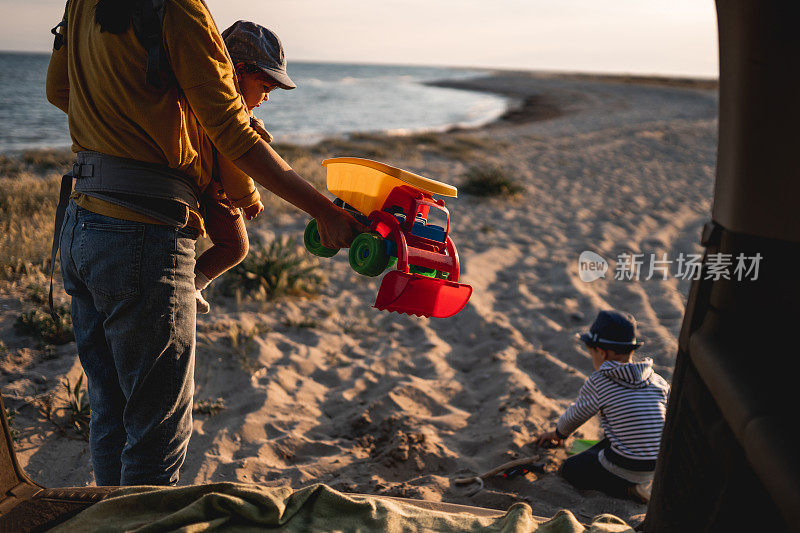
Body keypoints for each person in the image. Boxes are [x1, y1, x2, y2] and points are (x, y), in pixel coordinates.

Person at [46, 0, 363, 486]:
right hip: (143, 236)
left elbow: (59, 91)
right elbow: (232, 132)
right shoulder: (179, 8)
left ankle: (109, 517)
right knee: (156, 435)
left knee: (111, 413)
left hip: (81, 221)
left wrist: (138, 123)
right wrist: (325, 211)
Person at [193, 21, 294, 314]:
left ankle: (192, 282)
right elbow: (232, 158)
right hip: (216, 190)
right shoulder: (231, 109)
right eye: (264, 88)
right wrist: (249, 198)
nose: (265, 98)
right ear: (238, 72)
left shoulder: (214, 99)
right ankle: (193, 283)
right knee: (236, 246)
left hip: (203, 185)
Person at [534, 310, 670, 503]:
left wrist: (558, 434)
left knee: (570, 468)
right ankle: (642, 481)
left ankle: (626, 488)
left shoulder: (600, 380)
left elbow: (576, 414)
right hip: (657, 463)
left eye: (591, 353)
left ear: (602, 352)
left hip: (627, 465)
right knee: (611, 441)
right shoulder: (657, 380)